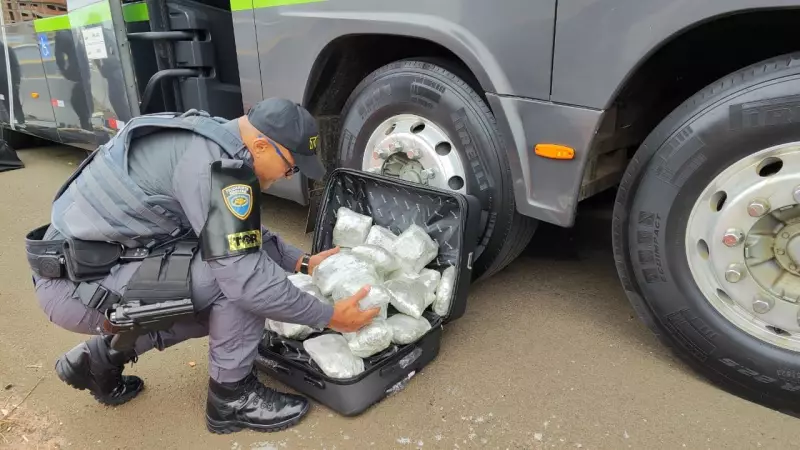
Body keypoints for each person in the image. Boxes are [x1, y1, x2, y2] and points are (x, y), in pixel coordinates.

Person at [24, 98, 380, 434]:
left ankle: (100, 358)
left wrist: (301, 262)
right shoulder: (216, 168)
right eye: (292, 165)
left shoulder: (211, 139)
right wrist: (329, 316)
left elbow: (236, 233)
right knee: (236, 286)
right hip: (79, 289)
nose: (290, 175)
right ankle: (232, 399)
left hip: (87, 271)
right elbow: (247, 279)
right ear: (260, 146)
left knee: (223, 285)